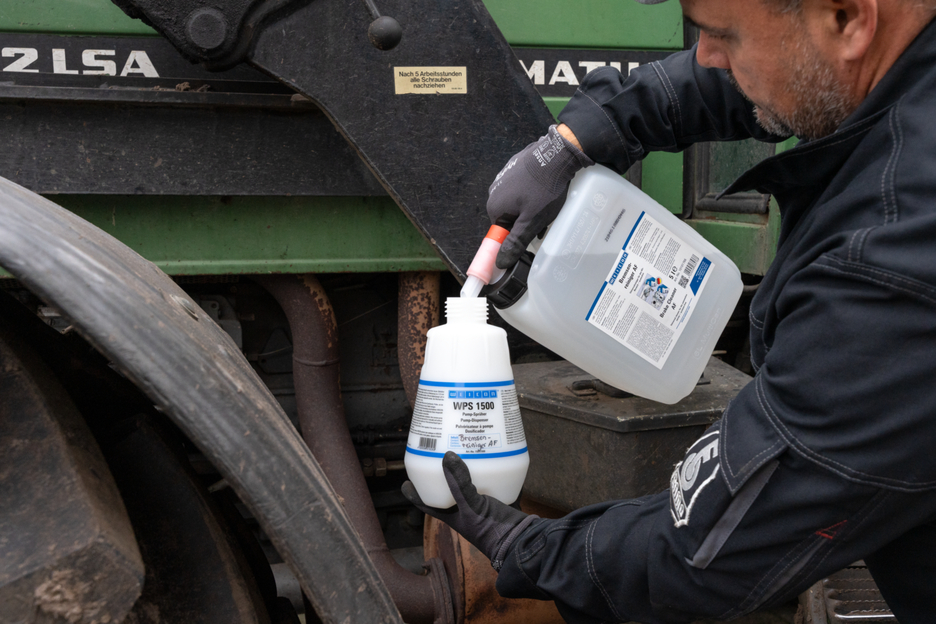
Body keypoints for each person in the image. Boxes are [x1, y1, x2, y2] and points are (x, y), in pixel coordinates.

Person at [402, 0, 936, 621]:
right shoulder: (895, 57)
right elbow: (787, 65)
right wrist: (580, 137)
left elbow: (707, 551)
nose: (705, 55)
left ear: (847, 18)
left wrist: (532, 548)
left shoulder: (896, 262)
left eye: (723, 34)